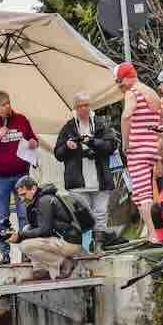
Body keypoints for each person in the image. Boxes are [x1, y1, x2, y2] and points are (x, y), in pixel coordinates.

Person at [54, 92, 121, 250]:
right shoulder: (69, 127)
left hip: (100, 178)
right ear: (75, 108)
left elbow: (111, 145)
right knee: (82, 215)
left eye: (86, 105)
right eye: (80, 106)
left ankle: (98, 245)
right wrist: (67, 147)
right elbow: (58, 153)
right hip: (77, 180)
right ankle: (83, 247)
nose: (83, 109)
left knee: (100, 213)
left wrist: (92, 142)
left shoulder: (99, 123)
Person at [0, 91, 38, 264]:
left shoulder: (21, 119)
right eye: (4, 104)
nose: (8, 106)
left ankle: (26, 253)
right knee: (3, 217)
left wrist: (34, 142)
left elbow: (32, 138)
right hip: (0, 178)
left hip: (21, 176)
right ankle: (5, 255)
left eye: (9, 103)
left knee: (24, 215)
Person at [116, 62, 163, 243]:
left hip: (137, 149)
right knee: (146, 194)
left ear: (127, 78)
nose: (120, 87)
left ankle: (153, 234)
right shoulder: (151, 92)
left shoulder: (132, 93)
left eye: (120, 82)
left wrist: (125, 144)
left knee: (143, 194)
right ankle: (153, 231)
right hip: (153, 147)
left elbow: (126, 116)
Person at [6, 176, 82, 281]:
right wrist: (20, 234)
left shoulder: (44, 200)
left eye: (24, 194)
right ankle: (41, 270)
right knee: (27, 228)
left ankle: (64, 263)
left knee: (25, 245)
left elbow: (45, 230)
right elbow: (36, 228)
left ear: (33, 188)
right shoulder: (35, 201)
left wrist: (20, 236)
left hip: (69, 243)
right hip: (61, 239)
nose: (22, 199)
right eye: (20, 196)